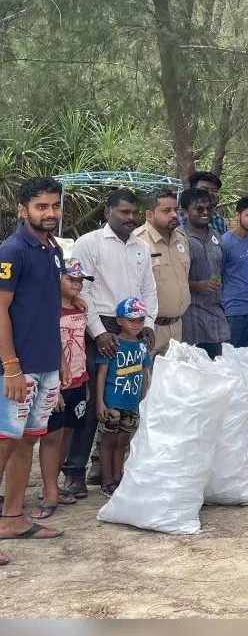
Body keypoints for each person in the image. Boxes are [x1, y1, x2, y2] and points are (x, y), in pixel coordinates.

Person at [67, 189, 157, 499]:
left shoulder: (141, 248)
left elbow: (148, 290)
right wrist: (99, 332)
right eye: (124, 212)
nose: (130, 218)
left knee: (124, 399)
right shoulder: (88, 243)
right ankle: (75, 472)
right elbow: (82, 293)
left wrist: (146, 325)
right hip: (99, 326)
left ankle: (107, 469)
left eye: (134, 213)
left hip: (131, 327)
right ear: (108, 211)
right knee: (93, 399)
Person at [0, 177, 66, 552]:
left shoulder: (52, 251)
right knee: (4, 443)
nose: (50, 213)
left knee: (27, 439)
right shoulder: (11, 251)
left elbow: (47, 309)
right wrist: (11, 366)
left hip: (45, 364)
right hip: (16, 368)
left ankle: (12, 519)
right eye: (42, 207)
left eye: (55, 206)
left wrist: (60, 362)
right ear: (23, 210)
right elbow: (0, 311)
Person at [35, 259, 91, 519]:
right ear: (58, 279)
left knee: (68, 433)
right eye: (71, 279)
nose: (77, 285)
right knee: (51, 437)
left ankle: (54, 484)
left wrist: (85, 382)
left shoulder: (82, 309)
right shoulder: (49, 312)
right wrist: (54, 388)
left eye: (80, 281)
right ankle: (47, 489)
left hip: (79, 380)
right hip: (56, 383)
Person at [94, 298, 151, 497]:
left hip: (131, 403)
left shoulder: (143, 346)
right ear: (119, 320)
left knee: (122, 442)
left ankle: (118, 479)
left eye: (140, 320)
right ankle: (106, 480)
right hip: (112, 402)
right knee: (107, 441)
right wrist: (100, 401)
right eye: (131, 319)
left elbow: (144, 374)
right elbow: (101, 375)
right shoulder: (112, 344)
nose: (136, 324)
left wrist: (143, 399)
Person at [133, 189, 190, 354]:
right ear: (149, 214)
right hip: (150, 328)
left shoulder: (182, 239)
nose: (174, 215)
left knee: (173, 378)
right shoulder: (137, 241)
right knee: (149, 378)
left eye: (175, 210)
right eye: (166, 210)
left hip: (177, 327)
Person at [179, 188, 230, 359]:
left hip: (215, 315)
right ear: (185, 211)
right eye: (199, 209)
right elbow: (170, 280)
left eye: (208, 208)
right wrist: (196, 285)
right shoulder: (178, 237)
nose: (205, 212)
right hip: (189, 319)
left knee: (218, 369)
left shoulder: (216, 236)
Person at [220, 195, 248, 347]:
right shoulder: (224, 242)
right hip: (234, 310)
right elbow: (216, 275)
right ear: (238, 215)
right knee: (232, 358)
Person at [178, 171, 227, 235]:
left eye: (215, 190)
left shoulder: (219, 220)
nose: (210, 194)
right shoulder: (177, 219)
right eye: (204, 189)